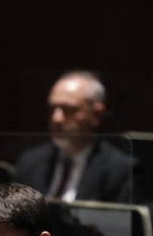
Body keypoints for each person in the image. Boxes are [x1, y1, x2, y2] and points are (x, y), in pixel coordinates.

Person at [13, 71, 133, 204]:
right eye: (52, 109)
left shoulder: (120, 170)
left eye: (69, 109)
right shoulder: (29, 162)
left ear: (96, 115)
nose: (56, 118)